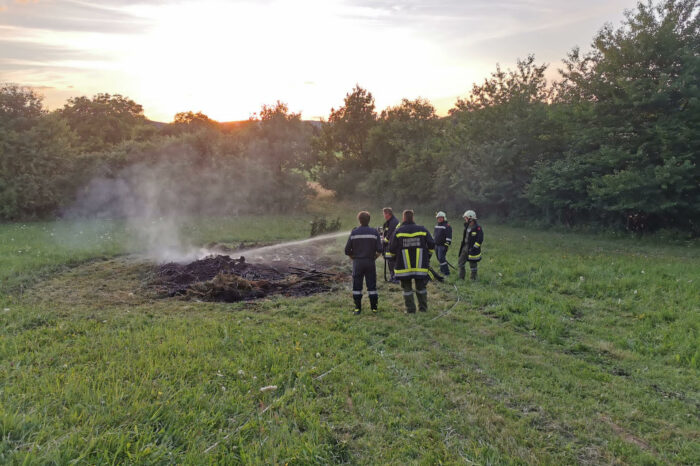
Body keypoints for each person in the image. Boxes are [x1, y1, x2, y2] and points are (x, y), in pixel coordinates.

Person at [388, 210, 435, 313]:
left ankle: (410, 310)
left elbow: (391, 249)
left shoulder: (399, 231)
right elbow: (432, 244)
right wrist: (428, 256)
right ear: (413, 218)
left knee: (407, 290)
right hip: (420, 266)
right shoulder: (422, 229)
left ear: (403, 218)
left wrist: (395, 258)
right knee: (421, 288)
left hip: (403, 267)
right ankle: (423, 309)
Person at [344, 211, 382, 315]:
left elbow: (347, 250)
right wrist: (374, 257)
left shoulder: (354, 232)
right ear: (369, 220)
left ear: (359, 220)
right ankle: (374, 308)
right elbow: (380, 249)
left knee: (357, 286)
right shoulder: (374, 232)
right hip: (370, 262)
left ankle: (357, 309)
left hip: (358, 263)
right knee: (372, 286)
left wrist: (354, 258)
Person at [458, 210, 483, 281]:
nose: (465, 219)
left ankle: (473, 279)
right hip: (465, 247)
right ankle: (461, 278)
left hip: (473, 249)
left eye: (466, 218)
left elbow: (480, 239)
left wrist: (474, 247)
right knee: (460, 263)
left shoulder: (478, 228)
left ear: (470, 218)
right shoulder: (467, 226)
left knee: (473, 265)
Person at [381, 207, 400, 283]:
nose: (384, 216)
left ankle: (396, 278)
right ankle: (393, 277)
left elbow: (389, 236)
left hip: (394, 246)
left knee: (393, 262)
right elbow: (386, 233)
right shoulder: (389, 222)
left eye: (384, 214)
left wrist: (383, 242)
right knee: (390, 261)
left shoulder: (393, 222)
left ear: (388, 214)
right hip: (390, 245)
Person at [433, 211, 452, 276]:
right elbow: (434, 235)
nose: (439, 219)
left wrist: (446, 246)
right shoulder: (436, 226)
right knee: (439, 258)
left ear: (444, 218)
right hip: (436, 245)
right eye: (438, 218)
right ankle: (442, 271)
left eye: (441, 218)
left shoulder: (447, 226)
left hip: (442, 246)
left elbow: (449, 237)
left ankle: (447, 273)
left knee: (441, 258)